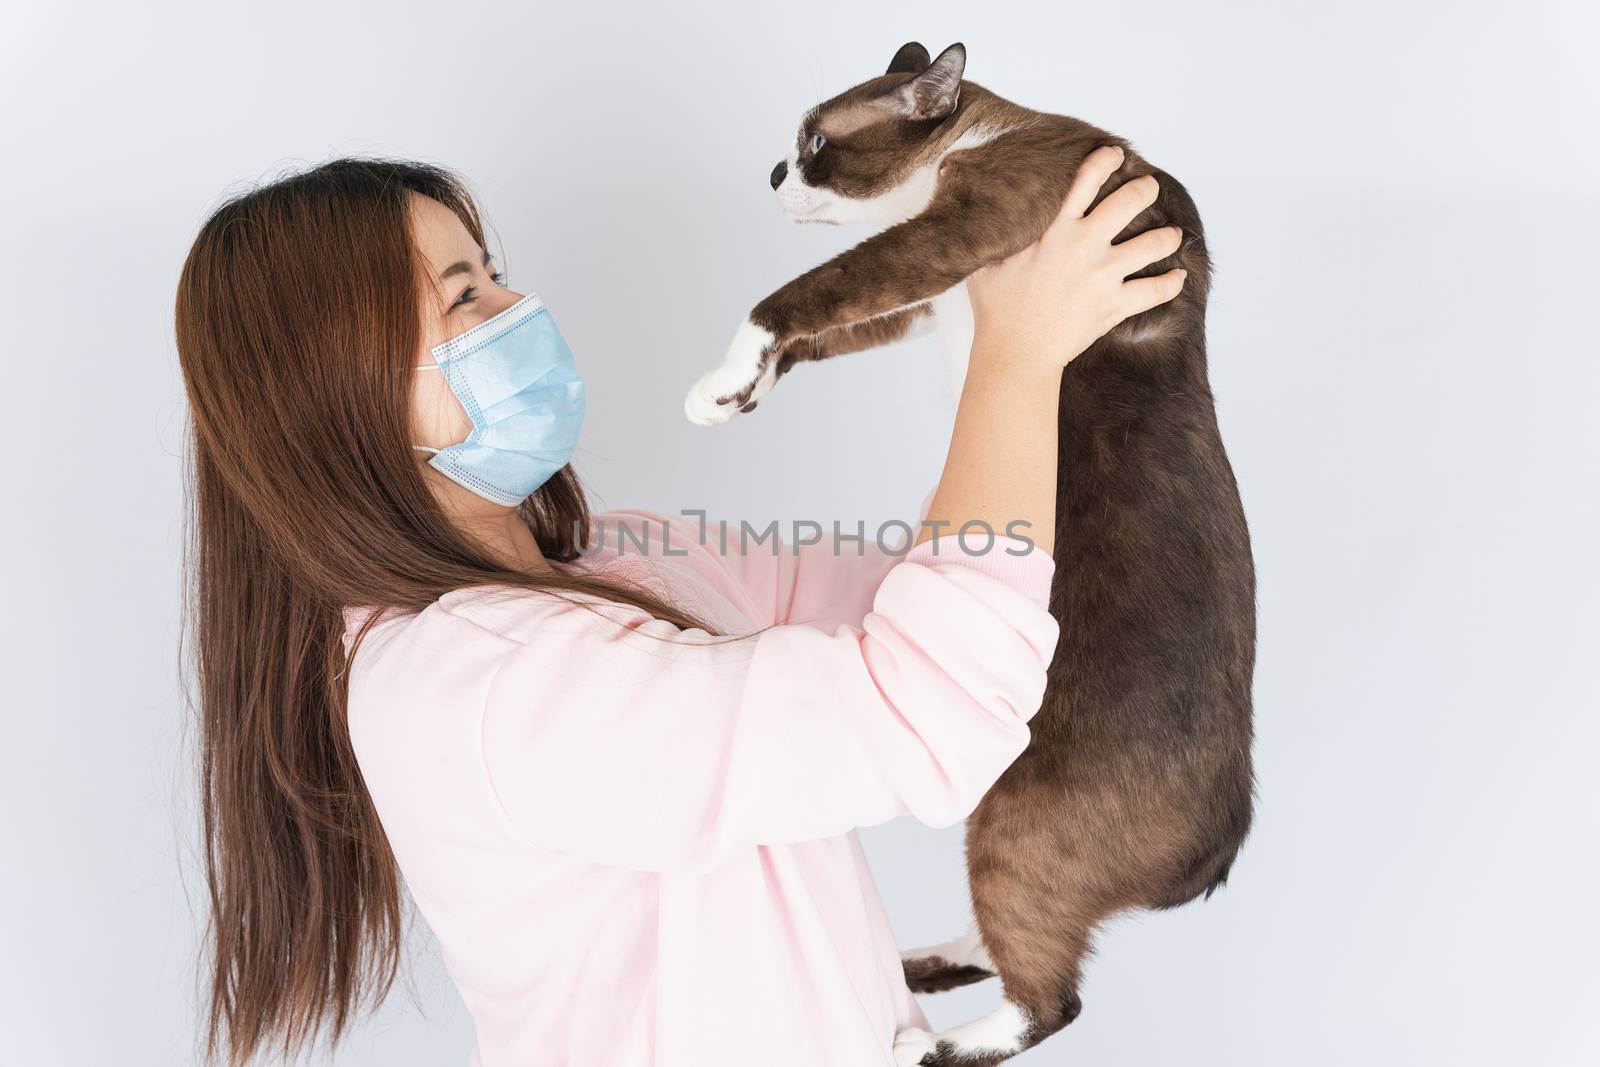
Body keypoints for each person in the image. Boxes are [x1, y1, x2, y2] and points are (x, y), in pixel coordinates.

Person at [175, 144, 1183, 1067]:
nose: (517, 305)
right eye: (464, 298)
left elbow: (919, 602)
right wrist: (1016, 356)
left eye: (493, 270)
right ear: (337, 392)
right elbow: (929, 703)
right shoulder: (481, 686)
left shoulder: (627, 561)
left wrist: (1013, 349)